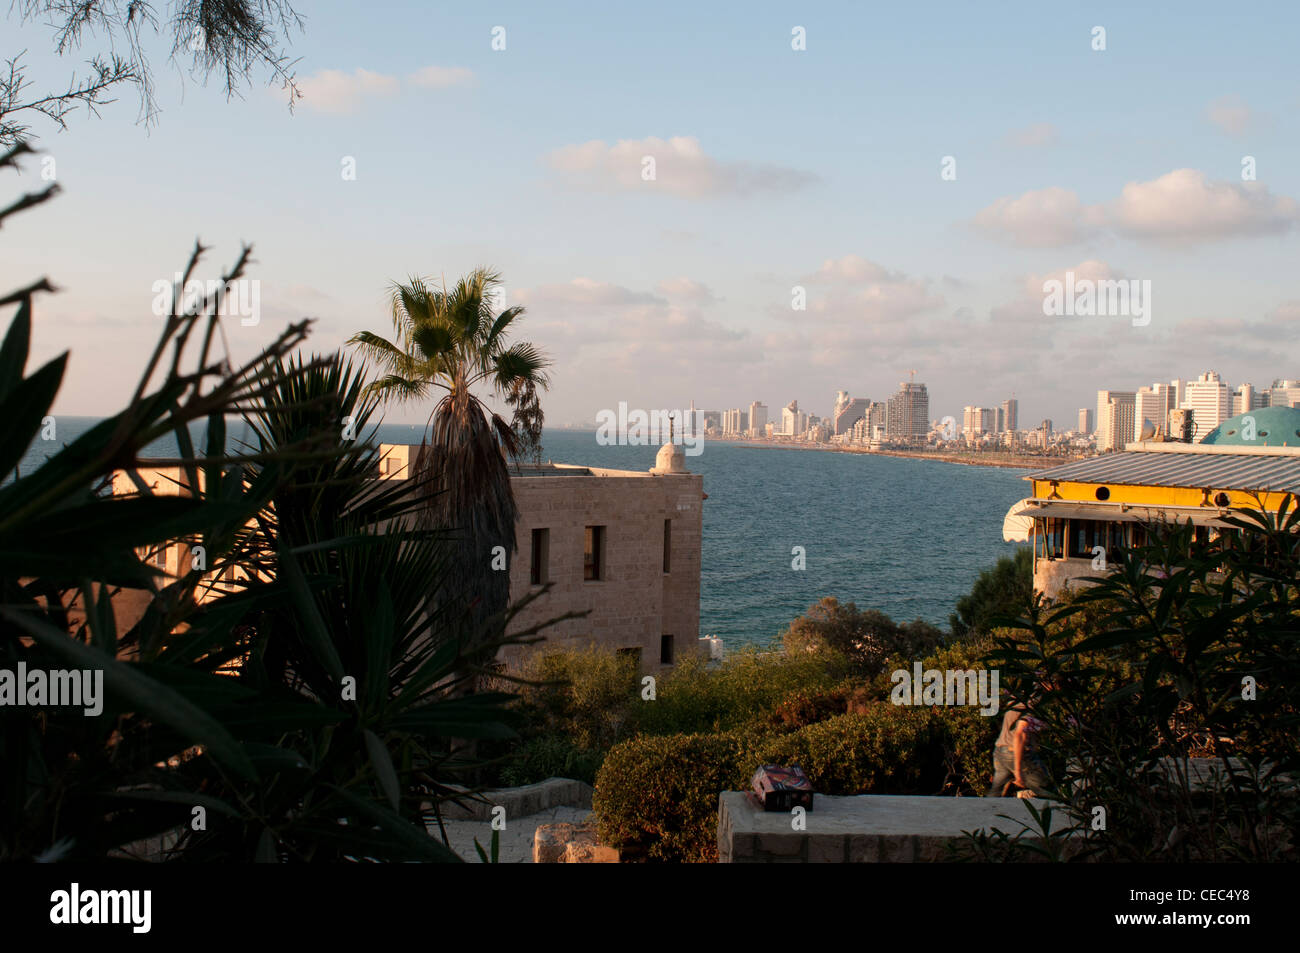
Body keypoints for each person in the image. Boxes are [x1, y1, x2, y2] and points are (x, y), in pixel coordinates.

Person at [986, 701, 1049, 797]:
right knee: (1046, 788)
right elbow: (1020, 734)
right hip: (1016, 752)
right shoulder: (1032, 702)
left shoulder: (1016, 697)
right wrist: (1018, 771)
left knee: (996, 793)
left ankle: (987, 810)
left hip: (1000, 750)